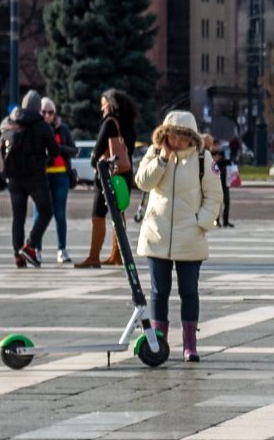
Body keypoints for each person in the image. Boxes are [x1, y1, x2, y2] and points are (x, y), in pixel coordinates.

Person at [135, 111, 221, 363]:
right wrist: (162, 159)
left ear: (191, 138)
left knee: (189, 291)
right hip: (157, 233)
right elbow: (142, 182)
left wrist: (201, 223)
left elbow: (214, 196)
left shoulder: (203, 159)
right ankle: (157, 342)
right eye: (172, 136)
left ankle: (189, 344)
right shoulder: (154, 153)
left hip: (189, 235)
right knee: (159, 291)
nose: (177, 142)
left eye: (182, 138)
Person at [81, 90, 135, 269]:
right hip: (124, 174)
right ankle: (117, 254)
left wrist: (94, 161)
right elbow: (130, 150)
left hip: (107, 175)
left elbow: (98, 149)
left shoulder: (109, 123)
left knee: (98, 215)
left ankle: (93, 256)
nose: (101, 107)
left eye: (103, 103)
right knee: (118, 213)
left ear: (110, 104)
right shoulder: (129, 124)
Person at [2, 92, 54, 266]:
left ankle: (18, 256)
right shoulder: (42, 125)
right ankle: (30, 245)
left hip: (14, 177)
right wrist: (44, 160)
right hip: (35, 176)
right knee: (46, 211)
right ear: (38, 107)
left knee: (18, 217)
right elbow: (53, 151)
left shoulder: (11, 123)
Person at [43, 104, 75, 260]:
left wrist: (58, 147)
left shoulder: (63, 129)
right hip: (42, 176)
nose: (47, 115)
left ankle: (61, 249)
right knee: (40, 214)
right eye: (44, 112)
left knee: (60, 214)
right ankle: (36, 249)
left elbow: (73, 150)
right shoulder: (38, 128)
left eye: (50, 112)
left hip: (61, 175)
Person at [204, 133, 235, 228]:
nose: (216, 147)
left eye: (217, 145)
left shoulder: (221, 154)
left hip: (224, 181)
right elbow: (213, 168)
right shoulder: (208, 154)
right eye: (214, 145)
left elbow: (226, 164)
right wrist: (216, 161)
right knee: (217, 202)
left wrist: (222, 161)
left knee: (227, 201)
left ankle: (225, 220)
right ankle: (216, 221)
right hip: (215, 182)